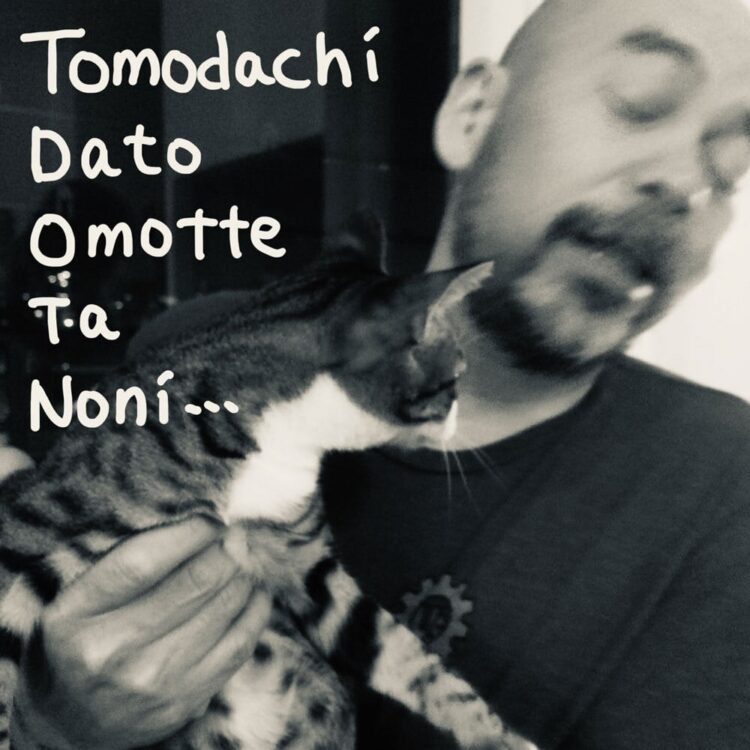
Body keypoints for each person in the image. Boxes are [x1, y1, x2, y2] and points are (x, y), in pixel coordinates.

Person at [10, 0, 750, 747]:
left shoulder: (727, 495)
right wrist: (48, 723)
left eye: (730, 174)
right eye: (639, 102)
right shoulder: (188, 347)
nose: (685, 186)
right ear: (472, 112)